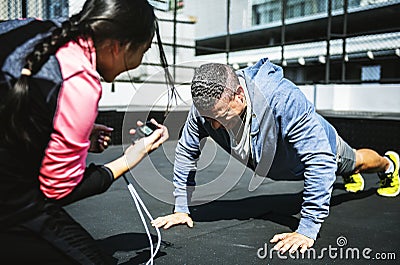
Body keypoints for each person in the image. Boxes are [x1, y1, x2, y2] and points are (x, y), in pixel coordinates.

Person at [152, 59, 399, 254]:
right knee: (343, 170)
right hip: (285, 165)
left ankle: (390, 165)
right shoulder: (205, 108)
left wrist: (307, 228)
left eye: (221, 117)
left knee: (356, 162)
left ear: (239, 94)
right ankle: (348, 175)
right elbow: (186, 152)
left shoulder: (282, 98)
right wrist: (181, 208)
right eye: (208, 119)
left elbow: (320, 159)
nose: (213, 127)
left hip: (323, 148)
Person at [0, 0, 171, 264]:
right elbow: (59, 190)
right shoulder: (80, 83)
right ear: (118, 46)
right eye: (143, 51)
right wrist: (131, 157)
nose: (138, 63)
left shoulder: (31, 28)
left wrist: (63, 128)